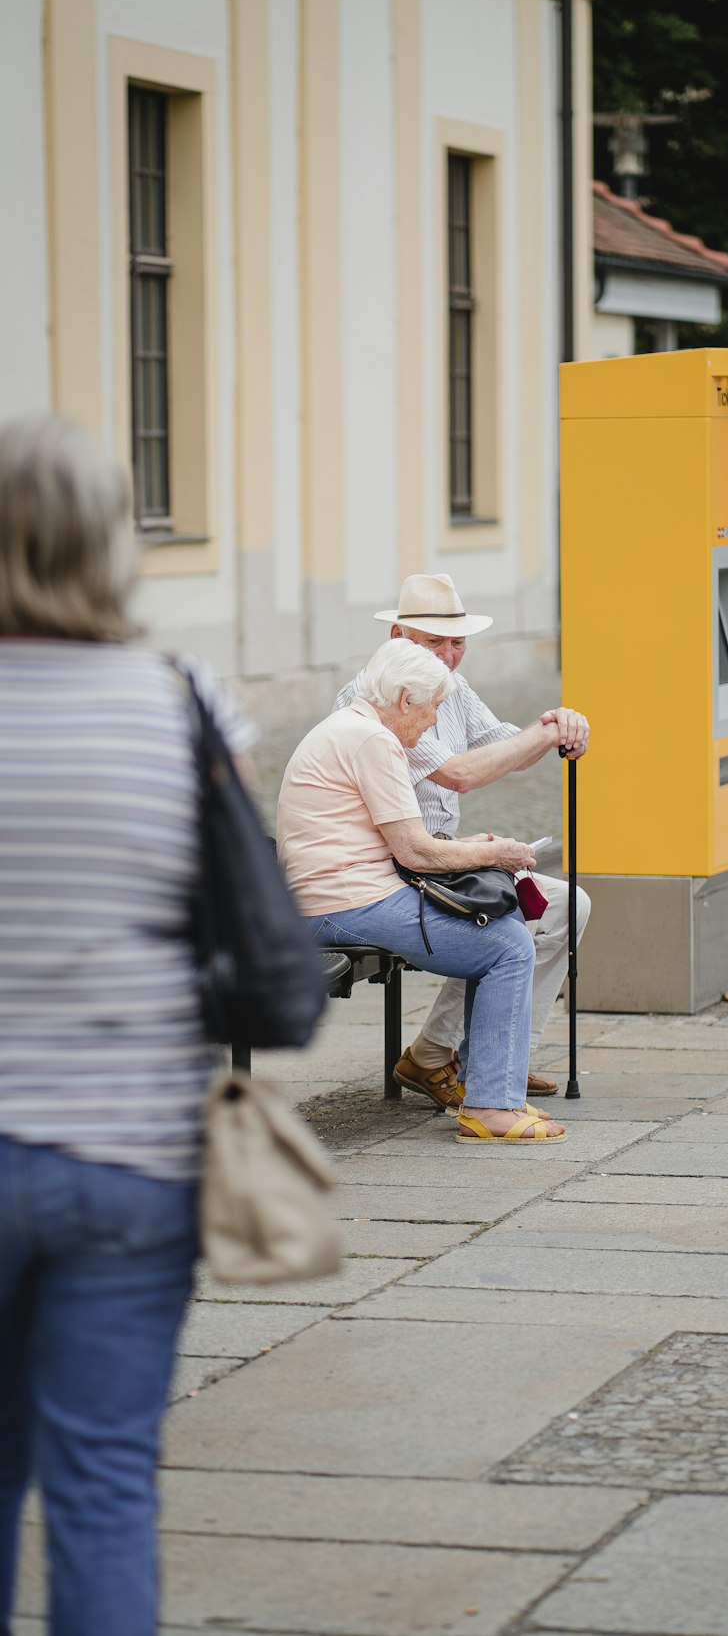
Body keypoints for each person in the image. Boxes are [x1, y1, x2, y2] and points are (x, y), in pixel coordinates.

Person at [0, 414, 255, 1636]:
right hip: (133, 1158)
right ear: (112, 543)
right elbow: (242, 912)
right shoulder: (183, 701)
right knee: (104, 1487)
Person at [277, 637, 566, 1143]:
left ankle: (492, 1093)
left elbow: (403, 842)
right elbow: (415, 852)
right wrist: (494, 854)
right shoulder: (372, 739)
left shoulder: (354, 729)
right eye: (431, 708)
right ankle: (491, 1107)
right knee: (507, 944)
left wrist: (471, 847)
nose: (433, 722)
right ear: (406, 698)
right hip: (342, 902)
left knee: (501, 933)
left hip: (337, 895)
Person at [336, 573, 591, 1110]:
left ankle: (478, 1057)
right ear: (399, 639)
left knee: (569, 905)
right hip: (392, 865)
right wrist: (542, 736)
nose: (450, 656)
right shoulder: (381, 696)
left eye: (458, 643)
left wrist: (554, 725)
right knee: (508, 923)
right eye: (436, 643)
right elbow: (459, 774)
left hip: (436, 856)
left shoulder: (451, 686)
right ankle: (469, 1064)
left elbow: (504, 745)